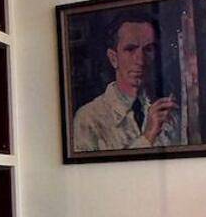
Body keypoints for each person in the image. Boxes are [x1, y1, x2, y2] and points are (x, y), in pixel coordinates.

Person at [72, 16, 178, 152]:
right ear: (113, 58)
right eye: (130, 49)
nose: (140, 60)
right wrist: (147, 137)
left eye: (148, 49)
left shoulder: (168, 112)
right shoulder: (88, 118)